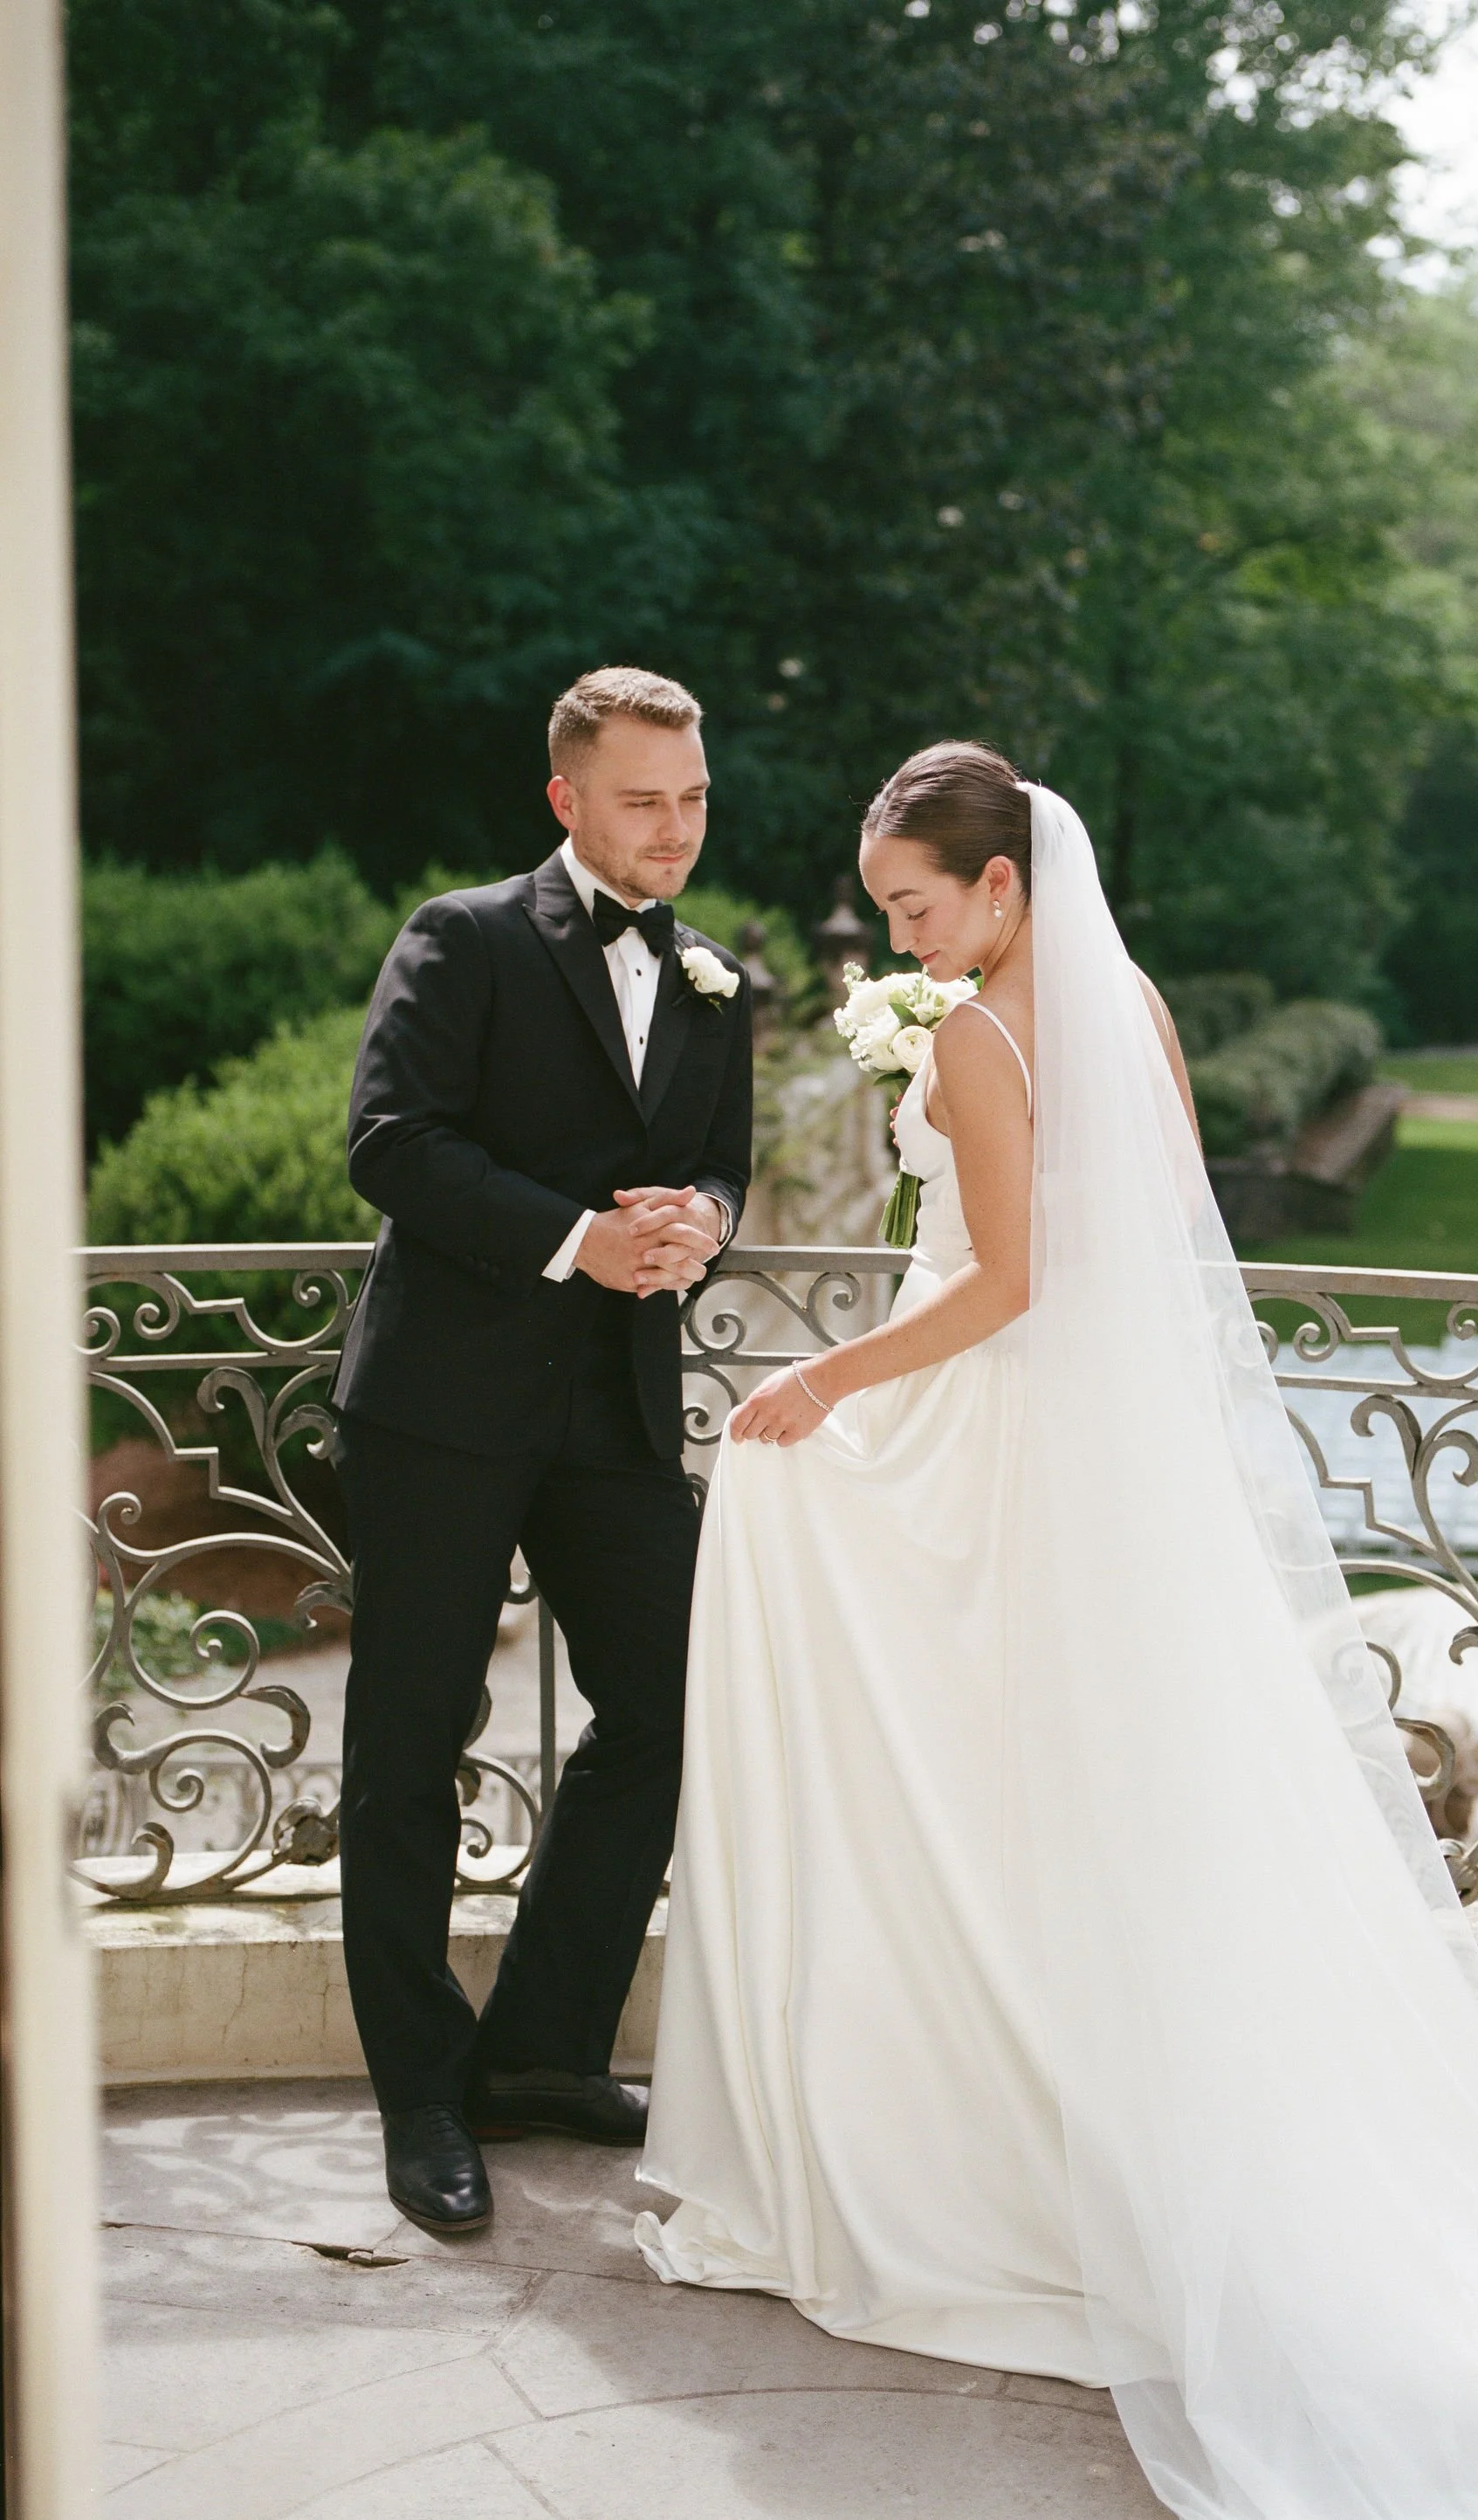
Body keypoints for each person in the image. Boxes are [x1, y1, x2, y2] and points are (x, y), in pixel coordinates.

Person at [637, 743, 1478, 2517]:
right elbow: (1154, 1242)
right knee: (1083, 1815)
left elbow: (1007, 1282)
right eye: (893, 913)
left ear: (1002, 886)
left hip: (1004, 1438)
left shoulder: (974, 1033)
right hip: (1095, 1453)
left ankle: (965, 2149)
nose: (907, 937)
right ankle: (1069, 2147)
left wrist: (818, 1379)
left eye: (918, 905)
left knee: (919, 1714)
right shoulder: (1121, 1005)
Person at [330, 665, 752, 2236]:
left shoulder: (720, 975)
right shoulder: (466, 935)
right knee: (407, 1741)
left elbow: (719, 1166)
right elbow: (391, 1139)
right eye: (644, 798)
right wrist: (581, 1237)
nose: (676, 827)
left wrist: (699, 1221)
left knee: (676, 1695)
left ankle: (541, 2049)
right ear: (567, 799)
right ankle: (423, 2092)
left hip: (617, 1413)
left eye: (696, 795)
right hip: (443, 1404)